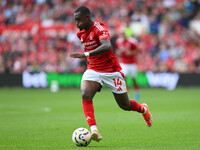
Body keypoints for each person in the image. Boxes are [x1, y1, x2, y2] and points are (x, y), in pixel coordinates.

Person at [69, 6, 153, 142]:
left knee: (125, 105)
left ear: (87, 17)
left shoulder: (99, 28)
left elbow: (107, 46)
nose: (77, 23)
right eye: (75, 20)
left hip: (111, 71)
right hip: (93, 69)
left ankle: (143, 109)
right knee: (85, 93)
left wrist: (85, 54)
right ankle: (94, 130)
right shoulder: (80, 33)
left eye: (78, 20)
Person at [116, 31, 141, 101]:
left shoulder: (132, 41)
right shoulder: (118, 42)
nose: (123, 36)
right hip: (124, 62)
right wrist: (118, 52)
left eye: (124, 34)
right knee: (124, 77)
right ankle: (127, 93)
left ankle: (137, 91)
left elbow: (139, 50)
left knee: (133, 79)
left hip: (132, 63)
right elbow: (117, 50)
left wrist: (132, 52)